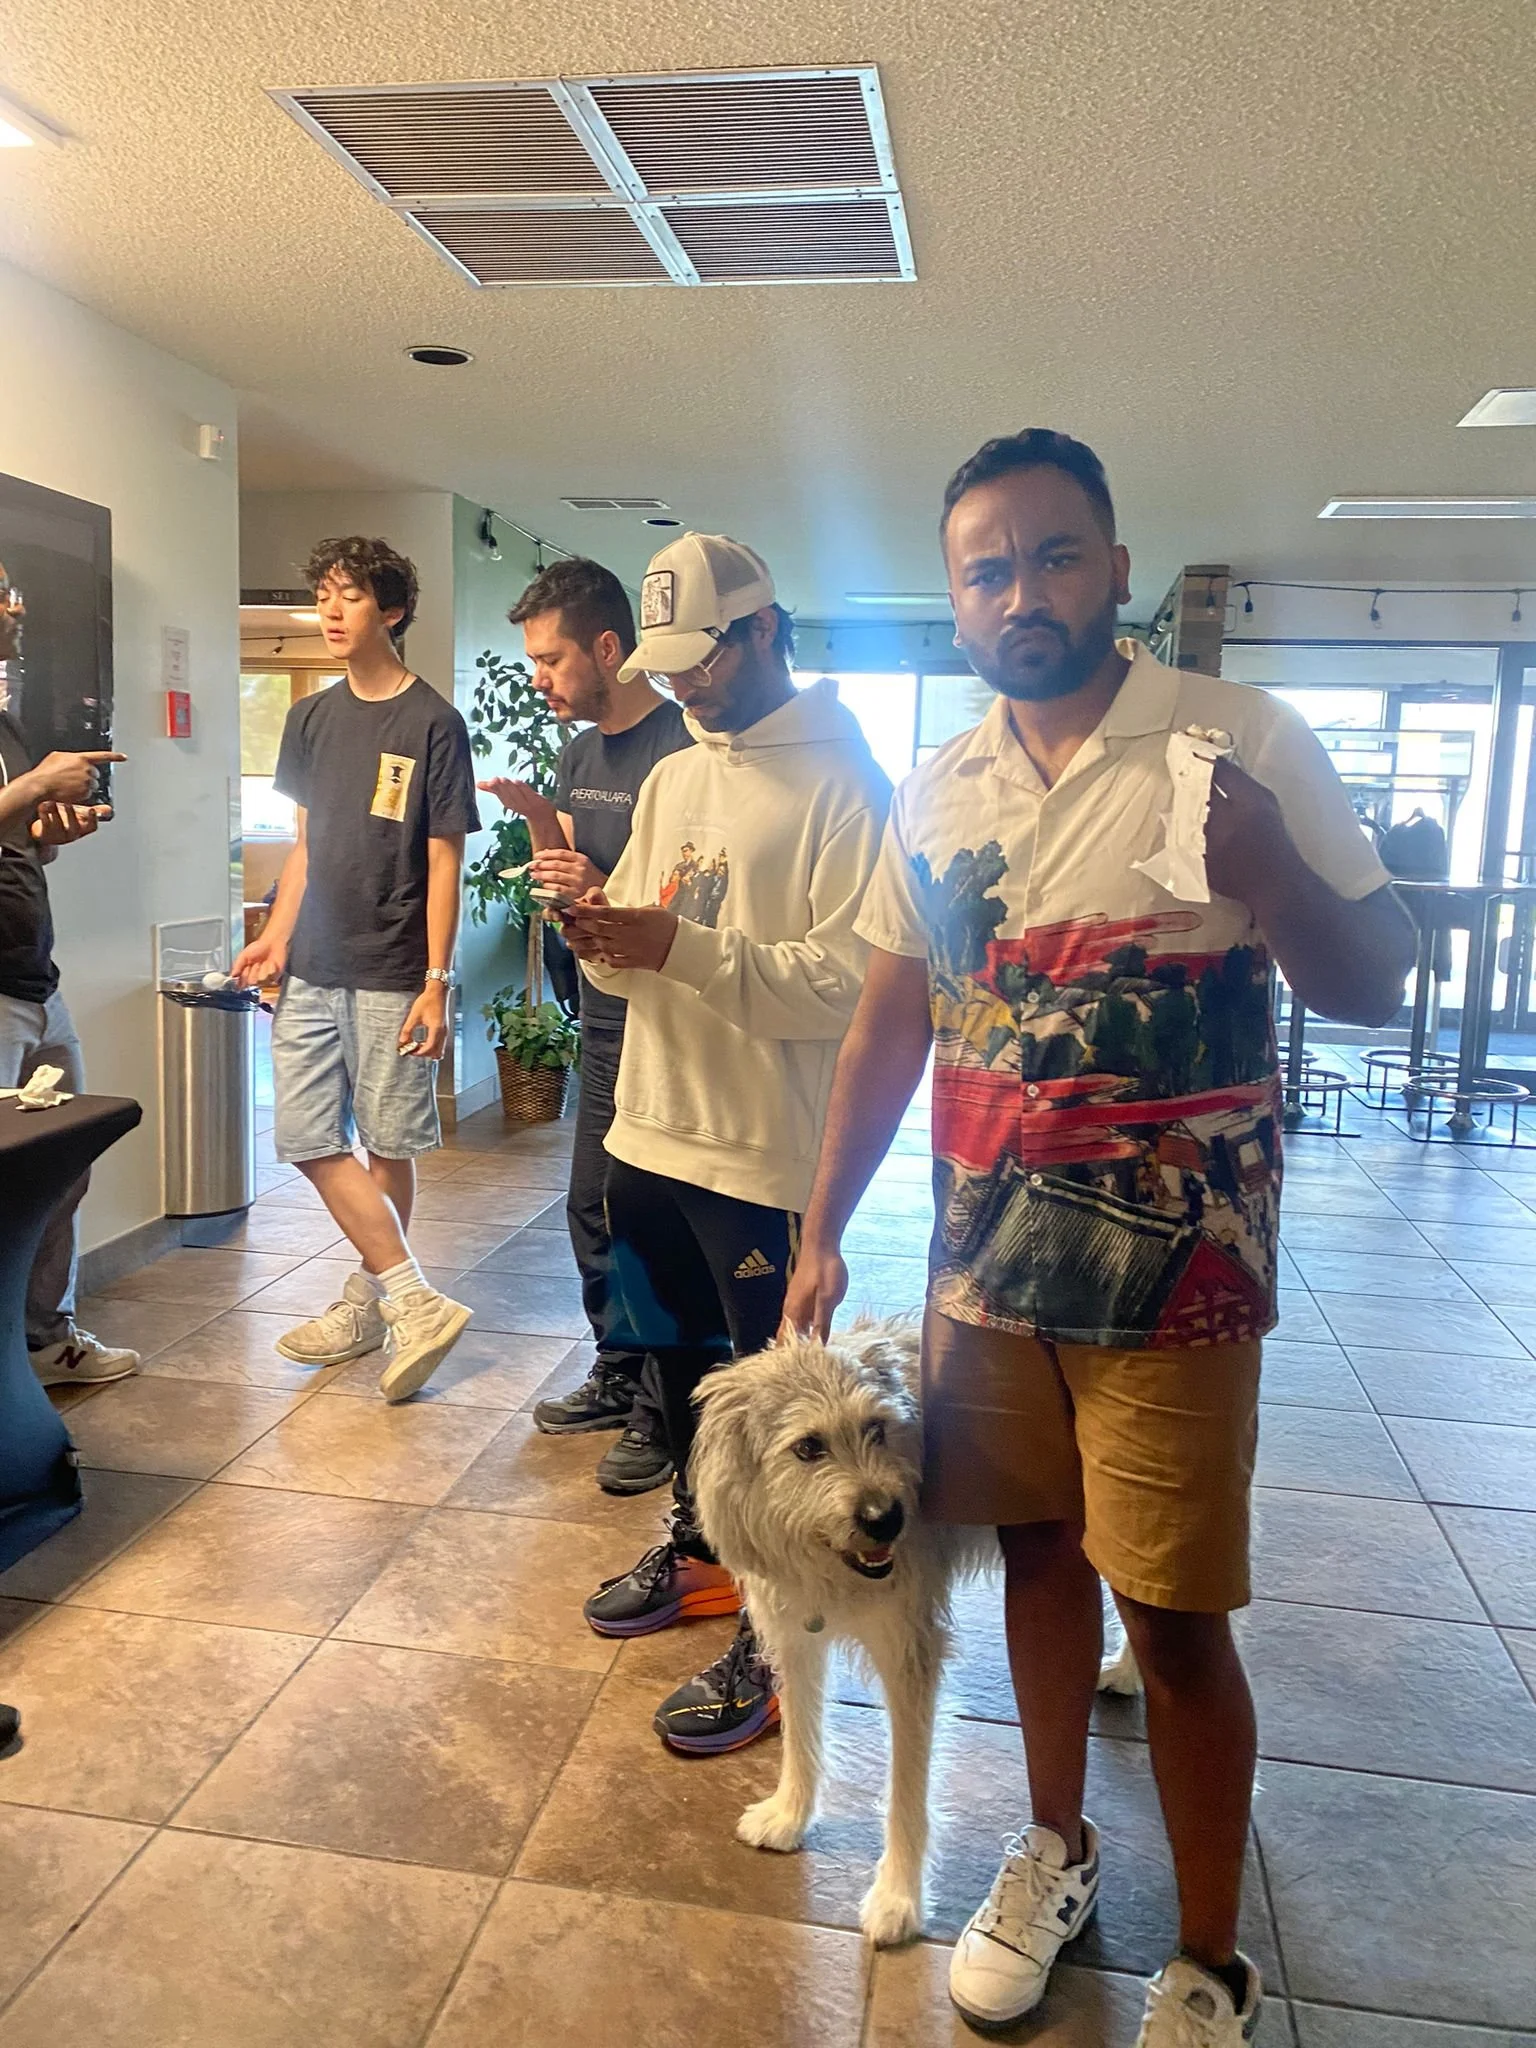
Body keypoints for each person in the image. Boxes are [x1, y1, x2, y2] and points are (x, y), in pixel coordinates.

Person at [782, 432, 1416, 2044]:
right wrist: (823, 1228)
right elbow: (886, 1025)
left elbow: (1376, 983)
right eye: (986, 568)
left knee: (1181, 1619)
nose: (1022, 593)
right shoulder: (935, 785)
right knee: (1037, 1568)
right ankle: (1054, 1849)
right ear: (954, 599)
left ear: (1119, 569)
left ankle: (1209, 1958)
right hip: (983, 1276)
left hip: (1178, 1288)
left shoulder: (1235, 737)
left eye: (1055, 557)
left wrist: (1266, 866)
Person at [562, 531, 890, 1754]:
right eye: (670, 663)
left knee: (775, 1422)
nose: (684, 684)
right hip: (651, 1122)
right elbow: (653, 931)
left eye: (703, 657)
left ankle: (780, 1627)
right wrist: (596, 922)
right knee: (676, 1372)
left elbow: (847, 983)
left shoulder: (847, 783)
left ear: (763, 630)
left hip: (760, 1154)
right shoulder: (674, 776)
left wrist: (670, 946)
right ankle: (705, 1554)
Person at [232, 537, 481, 1402]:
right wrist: (275, 934)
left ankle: (371, 1302)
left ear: (393, 611)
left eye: (349, 599)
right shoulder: (309, 719)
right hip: (312, 966)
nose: (331, 614)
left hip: (393, 969)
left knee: (387, 1143)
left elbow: (445, 860)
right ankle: (412, 1298)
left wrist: (437, 982)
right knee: (305, 1135)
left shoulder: (433, 723)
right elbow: (305, 846)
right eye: (323, 599)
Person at [478, 556, 690, 1494]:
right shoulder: (579, 753)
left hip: (667, 1020)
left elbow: (682, 901)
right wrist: (539, 825)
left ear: (610, 647)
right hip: (600, 1014)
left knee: (651, 1217)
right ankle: (615, 1370)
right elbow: (571, 875)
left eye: (551, 659)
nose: (541, 679)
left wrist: (599, 890)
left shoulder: (680, 750)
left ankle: (660, 1407)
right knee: (591, 1206)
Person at [0, 562, 134, 1388]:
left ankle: (46, 1339)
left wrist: (55, 828)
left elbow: (22, 841)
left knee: (63, 1159)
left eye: (16, 594)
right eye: (1, 597)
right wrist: (37, 783)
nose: (17, 610)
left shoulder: (7, 724)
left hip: (35, 981)